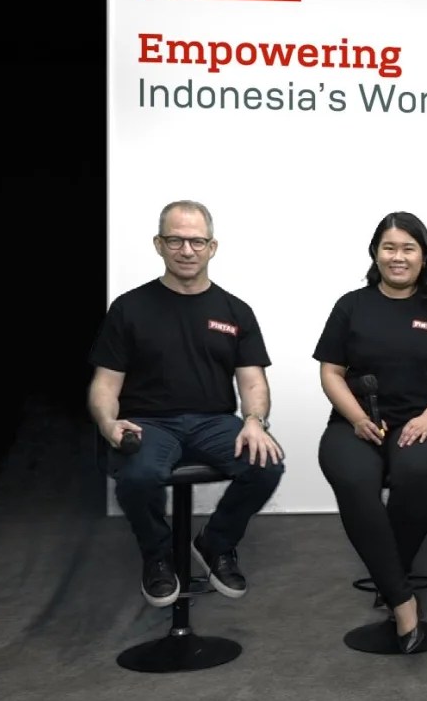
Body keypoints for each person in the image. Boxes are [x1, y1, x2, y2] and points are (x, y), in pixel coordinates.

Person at [87, 200, 285, 609]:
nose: (187, 250)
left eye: (196, 241)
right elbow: (105, 384)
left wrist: (254, 421)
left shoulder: (235, 311)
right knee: (138, 477)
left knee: (266, 465)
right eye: (175, 240)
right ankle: (158, 556)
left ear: (212, 247)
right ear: (158, 244)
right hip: (148, 423)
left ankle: (215, 543)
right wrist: (108, 423)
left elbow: (252, 381)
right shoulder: (129, 308)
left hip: (214, 422)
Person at [314, 212, 427, 654]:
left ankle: (390, 580)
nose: (398, 257)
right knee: (354, 480)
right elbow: (331, 372)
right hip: (356, 421)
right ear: (375, 254)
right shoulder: (351, 305)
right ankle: (403, 599)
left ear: (424, 256)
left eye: (408, 248)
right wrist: (356, 418)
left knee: (416, 474)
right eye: (389, 248)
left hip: (425, 421)